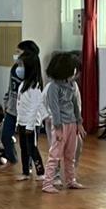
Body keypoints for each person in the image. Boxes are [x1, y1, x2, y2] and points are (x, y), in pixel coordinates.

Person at [41, 52, 85, 193]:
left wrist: (79, 123)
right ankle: (48, 183)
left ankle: (70, 180)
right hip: (61, 125)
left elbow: (75, 105)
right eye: (73, 69)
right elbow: (55, 110)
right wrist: (58, 128)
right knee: (55, 155)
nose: (75, 72)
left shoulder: (71, 85)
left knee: (70, 155)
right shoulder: (53, 87)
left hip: (72, 123)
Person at [1, 40, 39, 166]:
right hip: (12, 109)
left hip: (27, 113)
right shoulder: (14, 69)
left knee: (29, 142)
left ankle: (29, 166)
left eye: (19, 52)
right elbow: (10, 87)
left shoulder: (33, 72)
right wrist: (6, 102)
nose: (16, 55)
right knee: (5, 136)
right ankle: (13, 159)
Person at [15, 52, 46, 182]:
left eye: (22, 65)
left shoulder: (35, 87)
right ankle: (25, 172)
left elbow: (35, 108)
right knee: (24, 148)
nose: (19, 68)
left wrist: (30, 125)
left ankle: (41, 172)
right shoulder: (23, 85)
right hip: (22, 122)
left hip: (31, 124)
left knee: (32, 148)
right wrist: (18, 122)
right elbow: (19, 104)